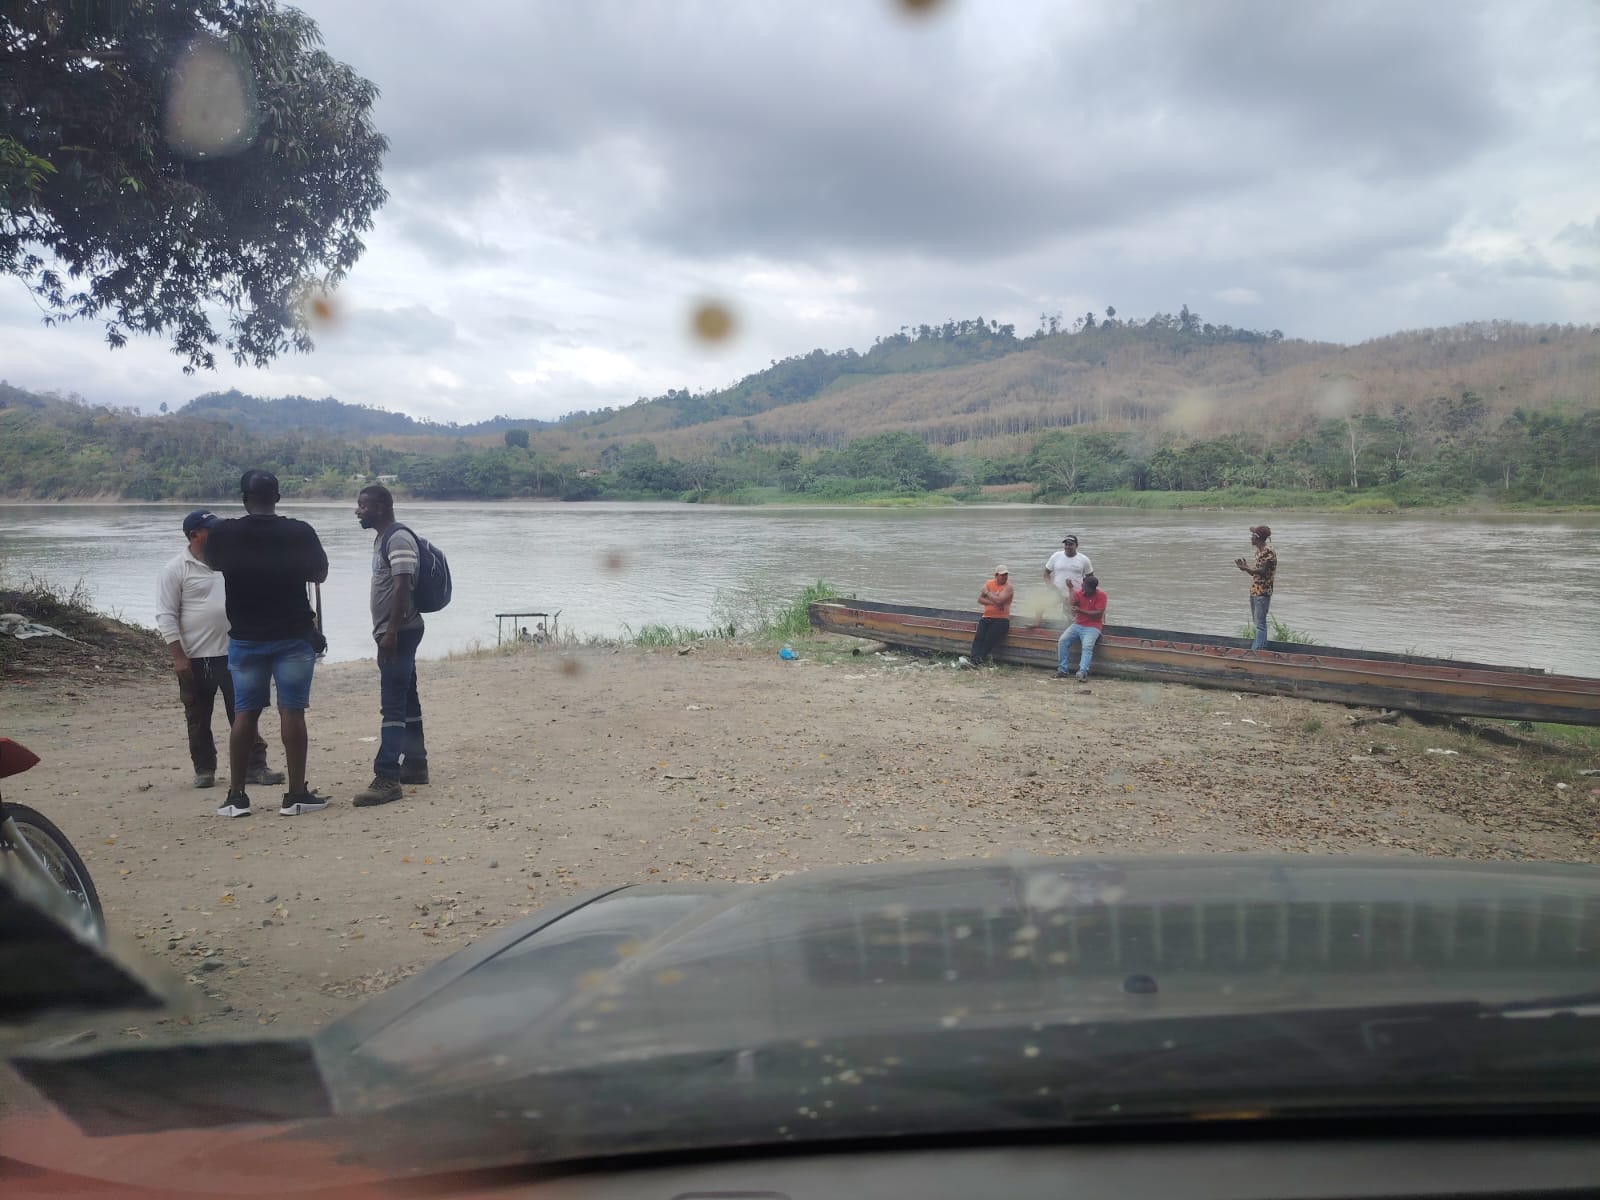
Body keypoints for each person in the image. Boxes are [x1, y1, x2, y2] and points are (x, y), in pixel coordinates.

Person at [204, 471, 331, 818]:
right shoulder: (299, 532)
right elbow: (320, 573)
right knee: (292, 711)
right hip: (293, 635)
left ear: (244, 499)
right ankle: (296, 795)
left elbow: (212, 562)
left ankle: (236, 797)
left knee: (245, 714)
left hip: (246, 638)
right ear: (277, 498)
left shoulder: (225, 532)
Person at [155, 510, 283, 791]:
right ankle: (204, 769)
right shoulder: (175, 569)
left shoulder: (230, 563)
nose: (220, 534)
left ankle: (255, 766)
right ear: (194, 535)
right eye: (211, 530)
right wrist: (178, 656)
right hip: (195, 657)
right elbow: (166, 615)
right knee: (198, 717)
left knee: (245, 712)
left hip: (235, 651)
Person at [353, 484, 429, 807]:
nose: (358, 511)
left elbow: (402, 586)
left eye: (363, 506)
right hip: (396, 631)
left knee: (393, 704)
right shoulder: (383, 538)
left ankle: (387, 776)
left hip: (400, 632)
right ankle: (415, 764)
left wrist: (391, 633)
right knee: (407, 697)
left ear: (382, 507)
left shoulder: (397, 539)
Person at [1056, 573, 1107, 683]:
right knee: (1062, 641)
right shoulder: (1080, 592)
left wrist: (1080, 611)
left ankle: (1082, 671)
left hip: (1093, 626)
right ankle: (1062, 670)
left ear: (1093, 589)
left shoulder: (1101, 595)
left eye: (1085, 588)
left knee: (1087, 646)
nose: (1083, 589)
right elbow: (1072, 602)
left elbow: (1098, 614)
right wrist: (1070, 588)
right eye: (1083, 587)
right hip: (1078, 624)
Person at [1235, 524, 1278, 650]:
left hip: (1262, 592)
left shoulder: (1268, 552)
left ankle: (1257, 651)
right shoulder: (1259, 552)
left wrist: (1247, 568)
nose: (1251, 538)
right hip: (1255, 591)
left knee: (1260, 625)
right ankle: (1261, 649)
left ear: (1257, 538)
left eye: (1252, 535)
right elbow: (1256, 573)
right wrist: (1246, 569)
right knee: (1258, 623)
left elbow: (1263, 572)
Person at [966, 565, 1013, 666]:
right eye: (1002, 575)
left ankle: (977, 661)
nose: (1004, 577)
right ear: (996, 575)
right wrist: (993, 602)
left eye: (1006, 575)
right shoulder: (989, 583)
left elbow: (1000, 601)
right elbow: (980, 599)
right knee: (978, 638)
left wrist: (987, 593)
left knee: (988, 639)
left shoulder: (1008, 587)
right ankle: (973, 659)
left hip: (1001, 619)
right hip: (986, 617)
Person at [1043, 535, 1092, 612]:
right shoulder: (1056, 556)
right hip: (1057, 591)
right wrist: (1050, 585)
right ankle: (1037, 620)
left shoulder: (1084, 559)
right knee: (1041, 606)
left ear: (1076, 546)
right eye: (1066, 544)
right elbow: (1046, 572)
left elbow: (1090, 578)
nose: (1067, 547)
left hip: (1075, 593)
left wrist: (1085, 591)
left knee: (1071, 615)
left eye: (1070, 544)